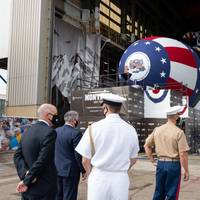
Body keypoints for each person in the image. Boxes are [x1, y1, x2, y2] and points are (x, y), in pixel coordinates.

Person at [76, 93, 140, 200]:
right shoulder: (130, 129)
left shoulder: (94, 128)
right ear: (119, 108)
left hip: (99, 176)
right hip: (120, 178)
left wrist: (90, 174)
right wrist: (121, 169)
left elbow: (85, 160)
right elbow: (133, 159)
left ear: (105, 108)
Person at [14, 103, 60, 200]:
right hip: (44, 187)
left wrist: (25, 174)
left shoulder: (27, 131)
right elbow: (43, 159)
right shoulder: (50, 132)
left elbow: (17, 156)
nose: (57, 117)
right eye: (56, 114)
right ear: (49, 116)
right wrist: (28, 179)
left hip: (27, 187)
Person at [144, 105, 190, 200]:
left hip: (160, 164)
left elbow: (146, 145)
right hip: (173, 165)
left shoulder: (157, 130)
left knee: (159, 192)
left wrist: (152, 160)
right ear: (176, 117)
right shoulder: (179, 132)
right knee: (172, 194)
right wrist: (186, 170)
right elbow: (182, 154)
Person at [55, 110, 86, 200]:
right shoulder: (76, 133)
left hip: (56, 169)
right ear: (74, 120)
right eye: (77, 119)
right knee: (69, 196)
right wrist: (83, 170)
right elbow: (78, 155)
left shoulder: (56, 131)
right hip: (70, 172)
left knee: (58, 196)